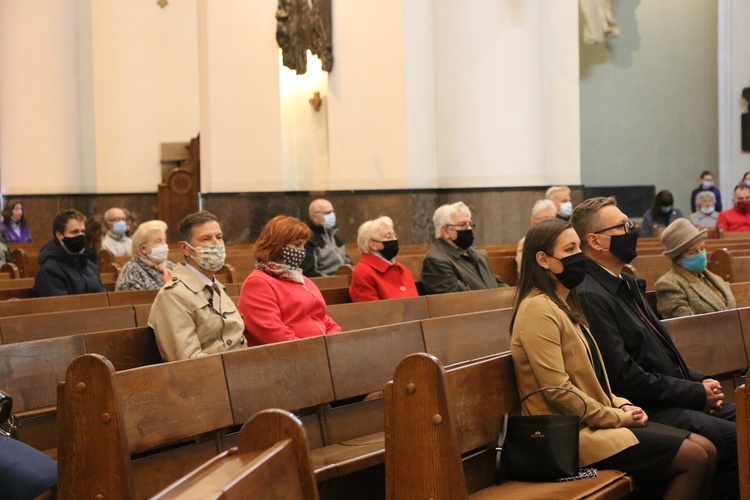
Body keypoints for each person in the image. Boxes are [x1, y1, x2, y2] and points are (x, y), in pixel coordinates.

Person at [511, 218, 716, 498]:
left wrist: (624, 405)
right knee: (694, 456)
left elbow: (594, 377)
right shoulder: (537, 308)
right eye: (569, 249)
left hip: (594, 421)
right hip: (567, 434)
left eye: (577, 248)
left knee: (707, 449)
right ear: (543, 260)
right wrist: (616, 417)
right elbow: (558, 391)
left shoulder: (563, 304)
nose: (578, 257)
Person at [571, 197, 738, 498]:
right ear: (595, 241)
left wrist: (700, 383)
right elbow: (623, 377)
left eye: (629, 224)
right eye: (622, 227)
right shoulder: (591, 295)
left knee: (744, 420)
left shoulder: (624, 283)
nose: (630, 231)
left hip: (668, 399)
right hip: (644, 409)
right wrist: (694, 394)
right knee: (737, 439)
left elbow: (662, 356)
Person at [148, 211, 246, 361]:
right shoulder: (173, 295)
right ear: (185, 248)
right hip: (210, 380)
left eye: (219, 237)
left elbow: (239, 341)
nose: (217, 244)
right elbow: (187, 361)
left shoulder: (216, 286)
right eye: (206, 239)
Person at [238, 215, 341, 345]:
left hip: (318, 351)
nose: (302, 251)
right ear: (277, 245)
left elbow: (323, 318)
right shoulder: (258, 283)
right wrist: (318, 352)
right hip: (290, 356)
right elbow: (274, 334)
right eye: (297, 245)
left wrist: (334, 341)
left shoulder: (300, 278)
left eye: (304, 245)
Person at [655, 218, 735, 319]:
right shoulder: (668, 284)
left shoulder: (712, 278)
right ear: (678, 258)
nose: (701, 255)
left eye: (702, 248)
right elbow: (684, 324)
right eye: (693, 252)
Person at [421, 202, 506, 295]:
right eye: (462, 225)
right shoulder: (436, 260)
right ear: (446, 231)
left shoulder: (480, 255)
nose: (469, 228)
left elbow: (497, 284)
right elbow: (459, 297)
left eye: (470, 224)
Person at [32, 209, 105, 297]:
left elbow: (103, 298)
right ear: (59, 235)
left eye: (82, 231)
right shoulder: (49, 271)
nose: (80, 236)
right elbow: (59, 306)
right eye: (74, 232)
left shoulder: (90, 267)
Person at [349, 216, 418, 302]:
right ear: (372, 245)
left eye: (394, 235)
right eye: (388, 237)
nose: (394, 240)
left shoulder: (403, 270)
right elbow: (372, 310)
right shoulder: (363, 272)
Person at [115, 220, 176, 291]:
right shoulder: (132, 270)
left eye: (164, 240)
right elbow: (136, 300)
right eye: (159, 241)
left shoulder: (170, 266)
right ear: (143, 249)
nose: (165, 245)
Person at [301, 198, 352, 277]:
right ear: (313, 216)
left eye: (333, 212)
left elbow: (347, 261)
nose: (332, 216)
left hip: (342, 281)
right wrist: (334, 281)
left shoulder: (334, 236)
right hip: (325, 285)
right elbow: (310, 272)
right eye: (328, 213)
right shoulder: (308, 240)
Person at [516, 199, 557, 272]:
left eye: (552, 219)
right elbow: (524, 269)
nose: (549, 223)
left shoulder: (558, 240)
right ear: (533, 221)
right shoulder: (525, 242)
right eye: (545, 219)